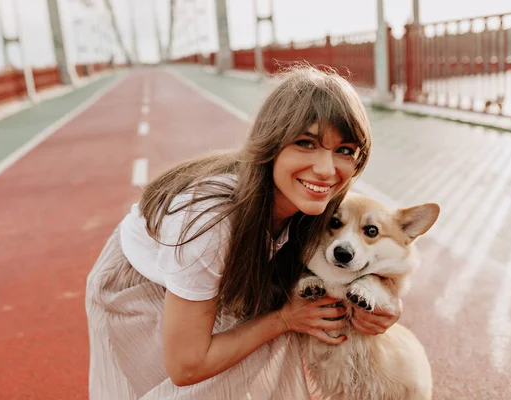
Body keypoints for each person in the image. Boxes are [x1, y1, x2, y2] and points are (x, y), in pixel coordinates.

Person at [85, 64, 402, 399]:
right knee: (252, 348)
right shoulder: (212, 222)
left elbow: (363, 260)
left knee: (297, 317)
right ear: (271, 144)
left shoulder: (322, 203)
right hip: (139, 287)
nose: (326, 170)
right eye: (306, 143)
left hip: (212, 273)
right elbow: (186, 366)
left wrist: (387, 302)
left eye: (345, 151)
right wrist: (283, 319)